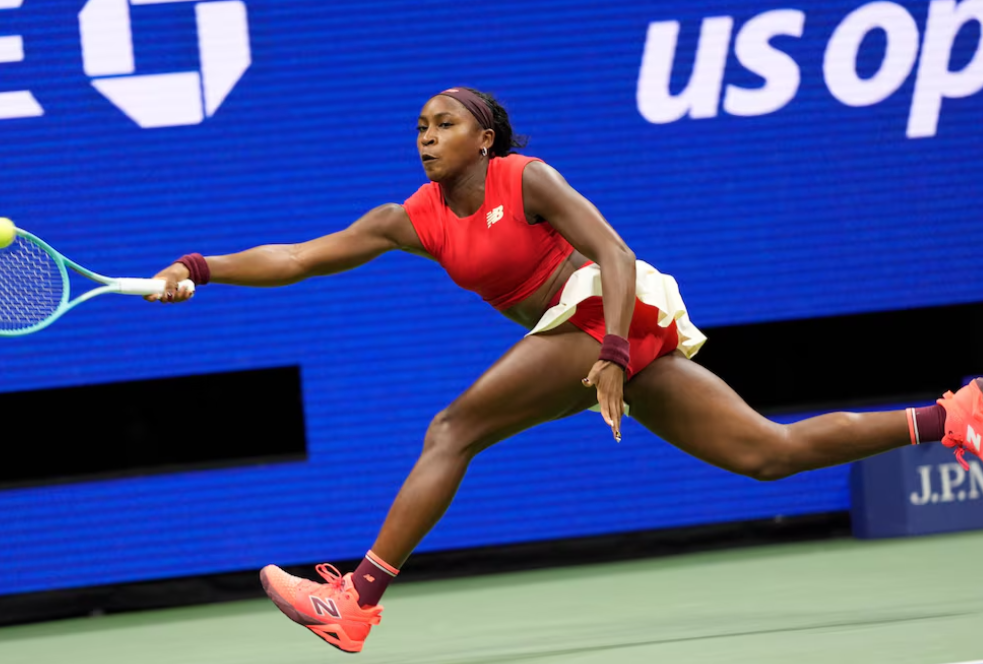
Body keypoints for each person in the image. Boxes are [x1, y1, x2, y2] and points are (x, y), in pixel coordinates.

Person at [150, 87, 983, 654]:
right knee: (767, 454)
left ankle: (357, 599)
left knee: (453, 429)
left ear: (484, 137)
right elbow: (298, 257)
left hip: (608, 313)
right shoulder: (412, 217)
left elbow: (613, 254)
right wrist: (202, 266)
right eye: (418, 128)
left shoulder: (528, 179)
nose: (425, 138)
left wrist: (614, 353)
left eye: (442, 125)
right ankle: (955, 417)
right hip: (592, 337)